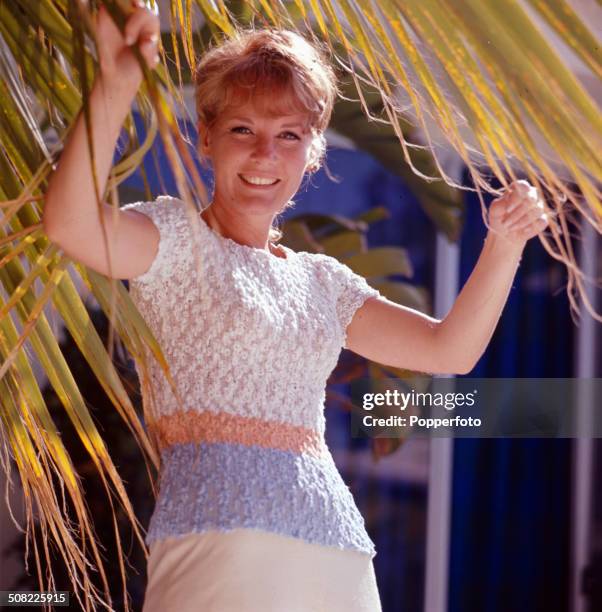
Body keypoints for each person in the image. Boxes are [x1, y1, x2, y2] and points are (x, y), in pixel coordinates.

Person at [42, 2, 550, 611]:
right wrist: (118, 80)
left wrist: (504, 243)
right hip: (216, 540)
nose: (264, 155)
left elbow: (451, 350)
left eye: (288, 135)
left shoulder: (323, 282)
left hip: (332, 550)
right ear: (205, 136)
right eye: (242, 130)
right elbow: (71, 223)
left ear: (312, 152)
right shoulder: (174, 240)